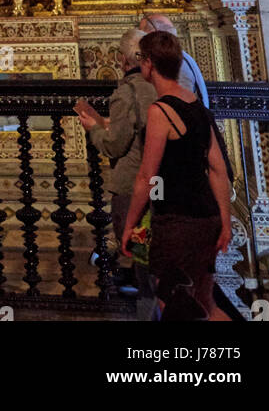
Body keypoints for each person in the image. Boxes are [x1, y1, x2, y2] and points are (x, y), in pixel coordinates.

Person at [122, 31, 232, 320]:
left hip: (177, 222)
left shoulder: (161, 111)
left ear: (148, 64)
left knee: (173, 303)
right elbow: (219, 170)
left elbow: (146, 177)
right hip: (206, 218)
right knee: (205, 303)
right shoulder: (196, 105)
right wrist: (224, 221)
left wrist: (130, 225)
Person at [74, 29, 156, 319]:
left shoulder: (127, 92)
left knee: (139, 251)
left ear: (122, 59)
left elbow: (114, 145)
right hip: (162, 183)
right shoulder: (160, 87)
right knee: (152, 256)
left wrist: (93, 128)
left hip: (133, 182)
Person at [139, 13, 209, 106]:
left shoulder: (175, 61)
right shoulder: (176, 57)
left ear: (155, 35)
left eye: (143, 35)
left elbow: (181, 105)